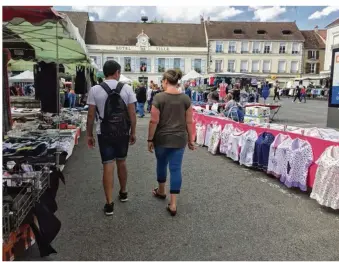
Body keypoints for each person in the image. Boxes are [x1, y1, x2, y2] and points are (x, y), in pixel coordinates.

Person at [86, 60, 137, 216]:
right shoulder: (127, 88)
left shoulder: (95, 90)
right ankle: (123, 192)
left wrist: (89, 134)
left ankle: (109, 204)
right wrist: (133, 132)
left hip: (104, 131)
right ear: (117, 72)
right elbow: (132, 114)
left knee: (108, 164)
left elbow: (90, 115)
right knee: (121, 161)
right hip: (122, 131)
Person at [147, 69, 194, 216]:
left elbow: (154, 120)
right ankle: (173, 204)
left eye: (162, 81)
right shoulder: (186, 99)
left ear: (166, 81)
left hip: (161, 138)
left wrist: (150, 139)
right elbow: (189, 121)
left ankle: (161, 191)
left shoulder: (159, 98)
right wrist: (191, 139)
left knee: (161, 164)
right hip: (179, 139)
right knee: (175, 169)